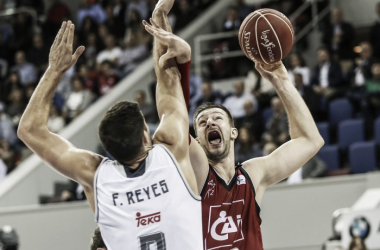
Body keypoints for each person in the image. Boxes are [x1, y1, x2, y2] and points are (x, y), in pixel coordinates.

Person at [146, 5, 324, 250]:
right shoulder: (197, 174)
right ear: (196, 140)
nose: (210, 122)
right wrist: (163, 28)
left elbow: (310, 141)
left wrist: (282, 81)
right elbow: (171, 110)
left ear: (233, 132)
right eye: (201, 122)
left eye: (218, 118)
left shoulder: (252, 176)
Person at [17, 18, 202, 250]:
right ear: (146, 137)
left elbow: (29, 129)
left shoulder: (94, 175)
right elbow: (169, 81)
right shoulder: (172, 150)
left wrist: (54, 70)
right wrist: (160, 27)